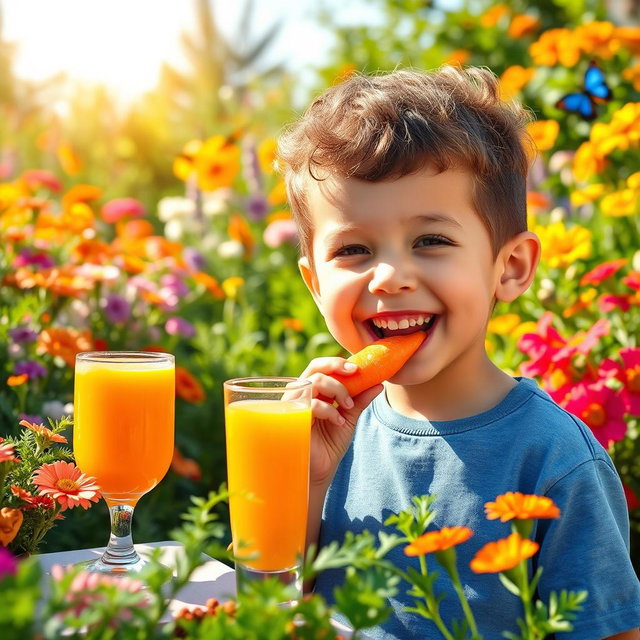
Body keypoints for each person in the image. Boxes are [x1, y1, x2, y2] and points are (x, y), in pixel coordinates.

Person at [276, 66, 640, 640]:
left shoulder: (554, 460)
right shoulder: (327, 436)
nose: (390, 276)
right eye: (353, 249)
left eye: (431, 240)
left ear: (510, 267)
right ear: (316, 284)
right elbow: (266, 607)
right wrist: (303, 486)